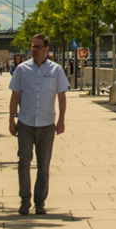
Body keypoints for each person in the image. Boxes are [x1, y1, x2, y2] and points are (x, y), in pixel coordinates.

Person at [8, 33, 69, 216]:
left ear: (46, 49)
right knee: (24, 162)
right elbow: (15, 95)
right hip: (25, 123)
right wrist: (11, 119)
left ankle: (40, 202)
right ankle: (25, 200)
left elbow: (62, 96)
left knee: (43, 166)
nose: (34, 50)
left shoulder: (56, 70)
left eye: (38, 47)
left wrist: (61, 120)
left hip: (46, 124)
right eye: (32, 46)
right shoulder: (22, 69)